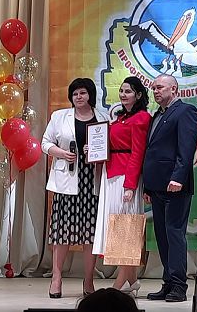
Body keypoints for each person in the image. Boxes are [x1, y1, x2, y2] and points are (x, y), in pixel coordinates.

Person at [41, 78, 111, 298]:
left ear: (90, 95)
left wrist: (97, 152)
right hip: (66, 181)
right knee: (61, 233)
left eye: (82, 93)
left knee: (90, 235)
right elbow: (45, 143)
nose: (78, 97)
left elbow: (109, 147)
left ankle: (88, 280)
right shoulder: (59, 116)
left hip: (92, 182)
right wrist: (62, 153)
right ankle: (56, 278)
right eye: (75, 94)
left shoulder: (103, 118)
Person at [142, 74, 197, 302]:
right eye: (154, 88)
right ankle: (168, 283)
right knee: (162, 236)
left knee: (174, 234)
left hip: (175, 185)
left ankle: (179, 286)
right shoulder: (157, 114)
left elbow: (187, 148)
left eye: (160, 87)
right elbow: (152, 151)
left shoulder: (185, 111)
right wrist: (148, 186)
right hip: (157, 185)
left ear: (174, 89)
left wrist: (178, 177)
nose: (155, 91)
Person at [92, 76, 151, 297]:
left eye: (128, 91)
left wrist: (130, 185)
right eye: (122, 91)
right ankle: (132, 282)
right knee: (118, 227)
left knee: (125, 229)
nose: (123, 94)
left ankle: (117, 287)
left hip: (125, 176)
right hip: (112, 175)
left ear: (138, 94)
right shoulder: (120, 118)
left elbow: (138, 152)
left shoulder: (141, 118)